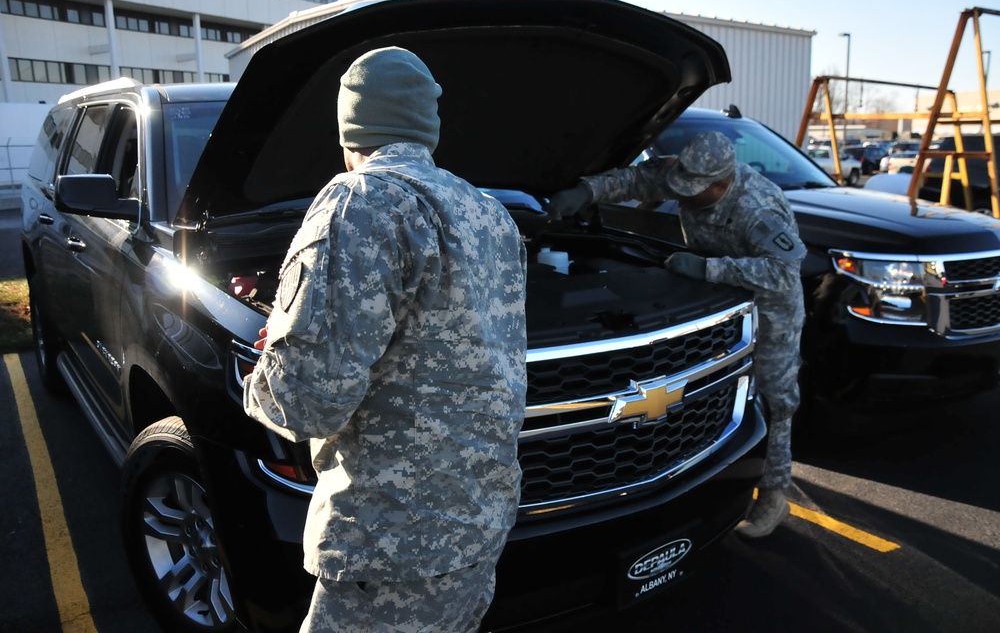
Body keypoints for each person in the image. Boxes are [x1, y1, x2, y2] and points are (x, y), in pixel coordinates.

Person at [244, 46, 527, 631]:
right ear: (428, 126)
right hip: (479, 523)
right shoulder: (490, 212)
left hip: (390, 542)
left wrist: (267, 368)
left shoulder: (358, 201)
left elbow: (308, 402)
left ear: (351, 128)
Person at [547, 130, 805, 539]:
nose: (682, 195)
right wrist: (585, 191)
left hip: (770, 307)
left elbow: (784, 273)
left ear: (722, 183)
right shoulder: (683, 173)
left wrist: (708, 269)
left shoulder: (758, 207)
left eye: (696, 191)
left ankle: (773, 493)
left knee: (775, 398)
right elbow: (634, 180)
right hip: (714, 300)